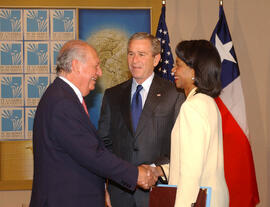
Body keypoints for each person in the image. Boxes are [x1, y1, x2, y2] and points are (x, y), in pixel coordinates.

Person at [29, 40, 157, 207]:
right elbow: (92, 154)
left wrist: (102, 187)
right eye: (95, 66)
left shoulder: (61, 96)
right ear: (76, 65)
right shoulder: (62, 103)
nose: (100, 72)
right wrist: (135, 175)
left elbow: (80, 155)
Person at [98, 32, 185, 207]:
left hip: (158, 192)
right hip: (119, 194)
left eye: (141, 54)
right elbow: (103, 145)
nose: (134, 60)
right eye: (131, 54)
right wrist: (102, 186)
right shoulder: (112, 95)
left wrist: (153, 169)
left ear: (156, 59)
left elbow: (181, 146)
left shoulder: (174, 94)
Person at [150, 40, 229, 207]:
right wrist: (161, 170)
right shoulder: (208, 103)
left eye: (178, 65)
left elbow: (190, 174)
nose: (173, 70)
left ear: (194, 71)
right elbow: (197, 159)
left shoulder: (192, 107)